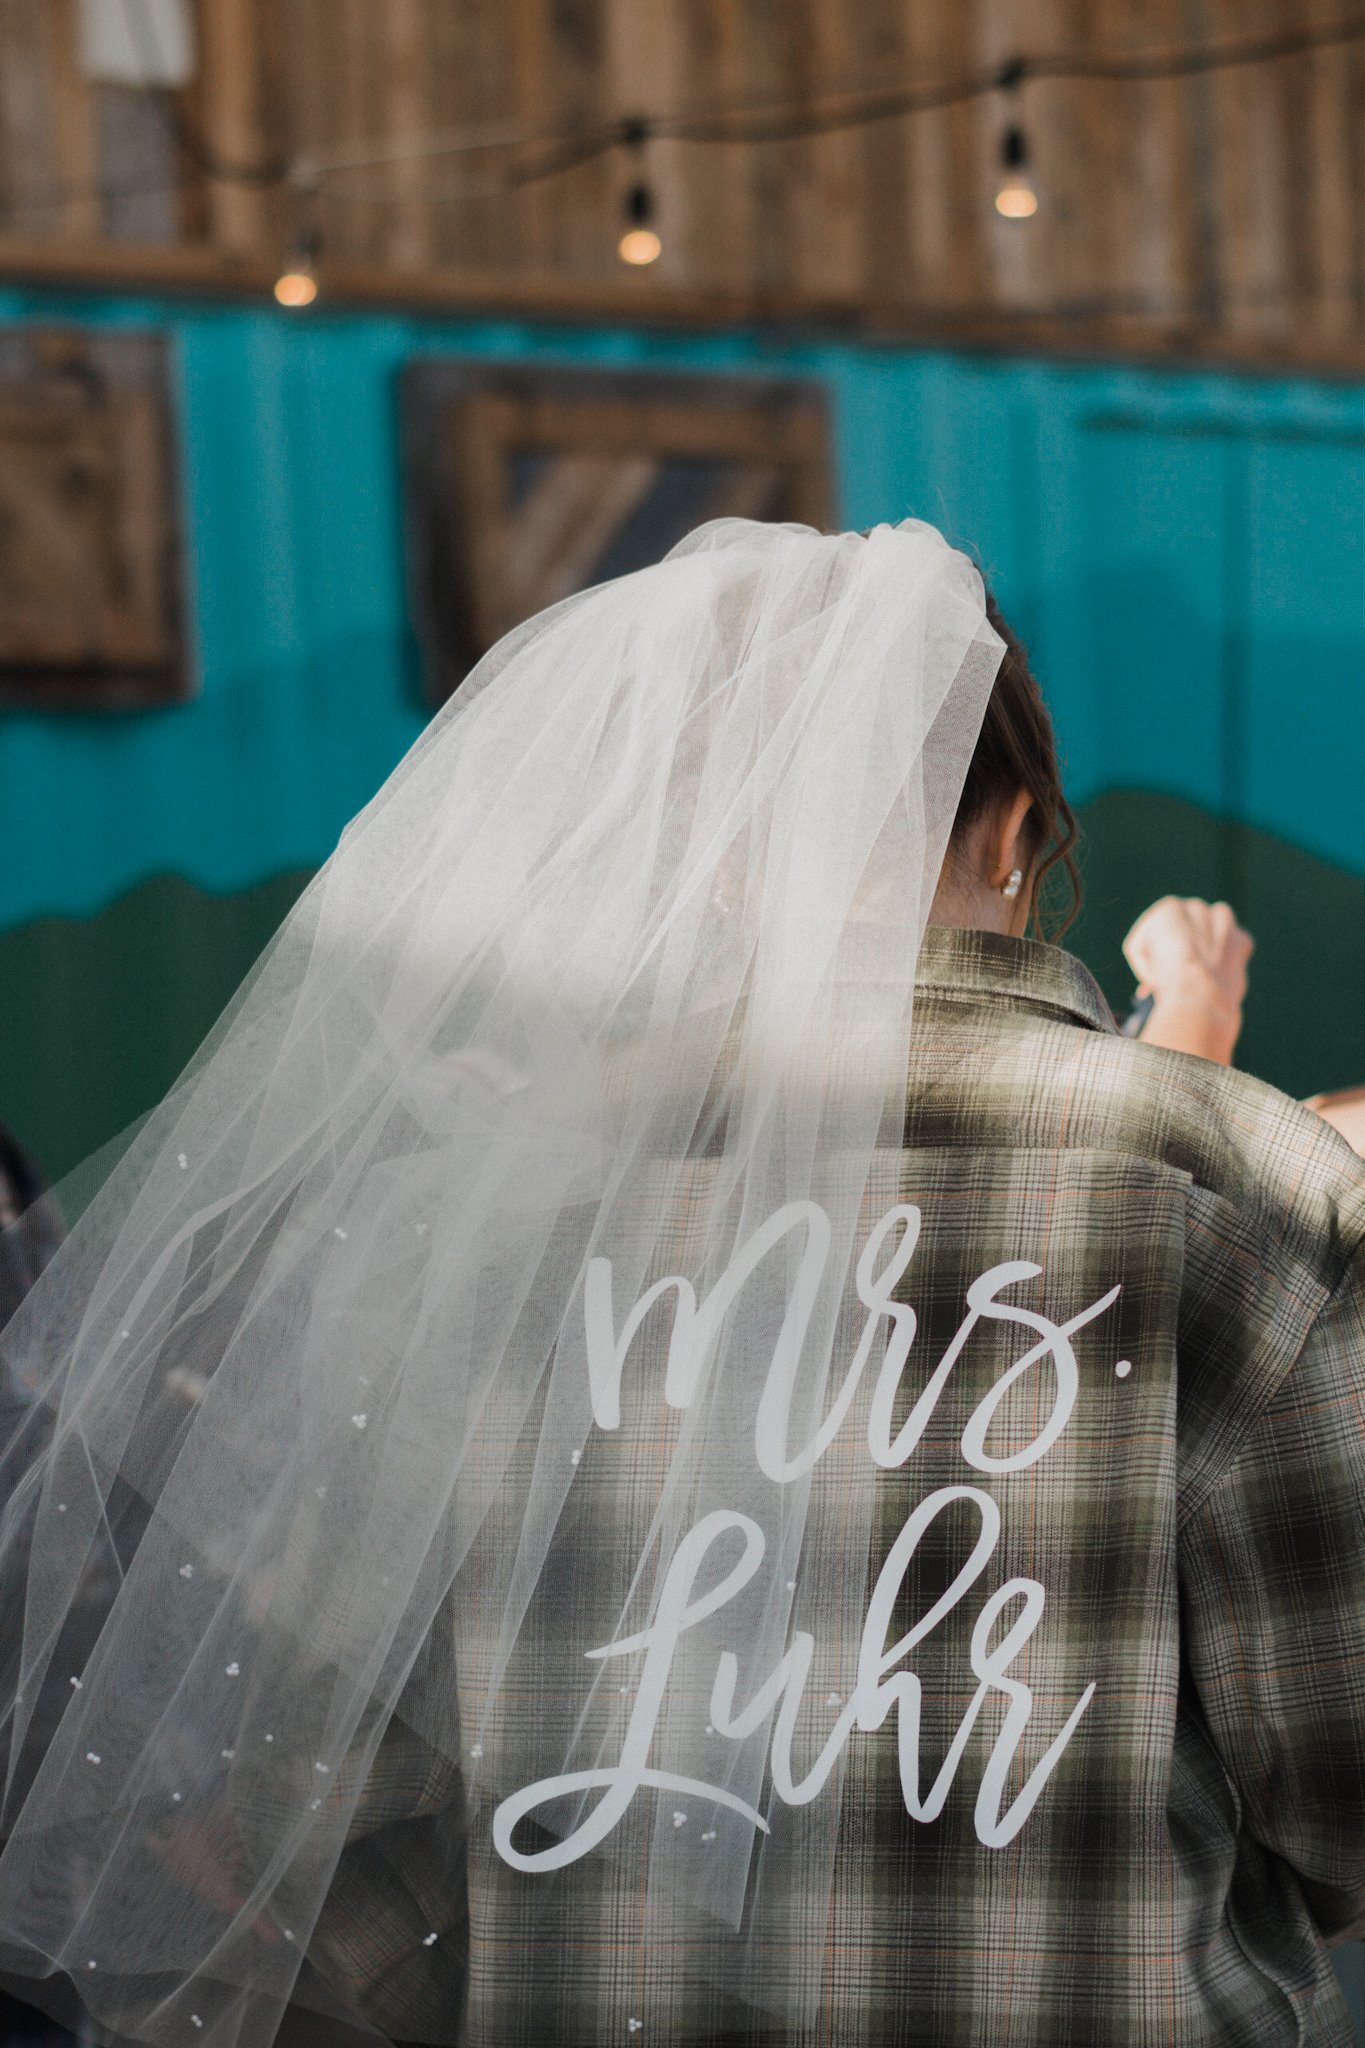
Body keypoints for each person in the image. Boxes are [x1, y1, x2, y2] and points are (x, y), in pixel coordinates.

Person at [0, 521, 1362, 2048]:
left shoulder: (492, 1203)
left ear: (709, 860)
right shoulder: (1247, 1184)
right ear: (1014, 836)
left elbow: (328, 1783)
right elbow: (1339, 1768)